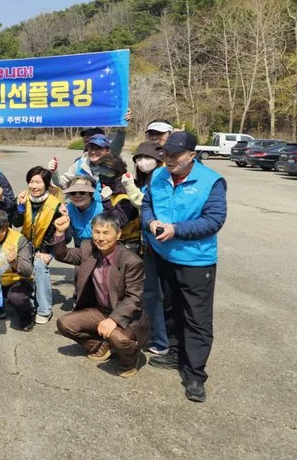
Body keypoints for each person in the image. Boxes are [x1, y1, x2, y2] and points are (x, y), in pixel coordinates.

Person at [141, 131, 227, 403]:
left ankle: (195, 374)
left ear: (192, 154)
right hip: (162, 255)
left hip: (194, 260)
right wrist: (151, 223)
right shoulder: (157, 176)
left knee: (196, 318)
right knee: (170, 307)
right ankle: (175, 352)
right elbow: (146, 205)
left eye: (175, 155)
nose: (168, 159)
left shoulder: (210, 181)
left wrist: (176, 230)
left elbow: (213, 220)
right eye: (165, 153)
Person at [52, 211, 149, 378]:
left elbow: (134, 298)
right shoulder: (88, 248)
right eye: (97, 232)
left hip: (127, 317)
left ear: (118, 234)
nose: (100, 238)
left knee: (119, 339)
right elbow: (63, 254)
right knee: (65, 323)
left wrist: (113, 320)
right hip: (100, 310)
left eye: (106, 233)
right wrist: (60, 232)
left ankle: (131, 360)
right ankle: (101, 345)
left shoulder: (131, 261)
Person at [121, 140, 168, 355]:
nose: (142, 162)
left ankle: (162, 339)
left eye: (147, 158)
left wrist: (129, 187)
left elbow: (143, 202)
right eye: (138, 158)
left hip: (162, 244)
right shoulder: (145, 179)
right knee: (149, 292)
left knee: (157, 293)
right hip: (146, 244)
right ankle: (155, 335)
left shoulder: (161, 180)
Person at [12, 166, 64, 324]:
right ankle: (27, 300)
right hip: (26, 244)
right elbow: (16, 222)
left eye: (39, 182)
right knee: (21, 266)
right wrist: (20, 207)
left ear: (47, 184)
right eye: (31, 182)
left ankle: (44, 309)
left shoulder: (56, 205)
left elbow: (52, 230)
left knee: (40, 266)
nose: (34, 186)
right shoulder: (23, 198)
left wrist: (44, 251)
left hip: (47, 245)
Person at [96, 154, 141, 252]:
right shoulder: (112, 188)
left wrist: (107, 201)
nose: (101, 175)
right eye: (100, 171)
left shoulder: (124, 193)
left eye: (107, 172)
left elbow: (119, 221)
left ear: (118, 173)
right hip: (115, 240)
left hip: (126, 243)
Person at [62, 177, 104, 246]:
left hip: (99, 247)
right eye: (73, 193)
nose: (77, 195)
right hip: (79, 247)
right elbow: (66, 239)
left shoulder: (101, 210)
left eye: (82, 192)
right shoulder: (67, 210)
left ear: (90, 195)